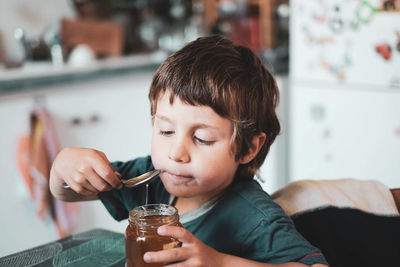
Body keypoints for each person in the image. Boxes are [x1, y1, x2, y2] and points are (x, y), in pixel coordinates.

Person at [50, 35, 328, 267]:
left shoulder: (255, 217)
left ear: (248, 148)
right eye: (166, 131)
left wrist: (219, 262)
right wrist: (63, 165)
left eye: (202, 138)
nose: (176, 153)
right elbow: (69, 192)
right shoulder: (151, 180)